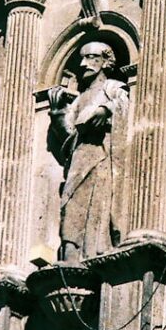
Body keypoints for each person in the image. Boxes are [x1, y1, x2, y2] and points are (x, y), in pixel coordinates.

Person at [47, 42, 129, 262]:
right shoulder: (79, 99)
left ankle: (92, 253)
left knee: (97, 204)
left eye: (91, 57)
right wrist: (57, 112)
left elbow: (123, 105)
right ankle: (70, 257)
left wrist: (105, 110)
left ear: (105, 62)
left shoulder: (112, 88)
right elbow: (68, 134)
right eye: (82, 58)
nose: (84, 64)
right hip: (78, 160)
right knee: (70, 203)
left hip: (100, 156)